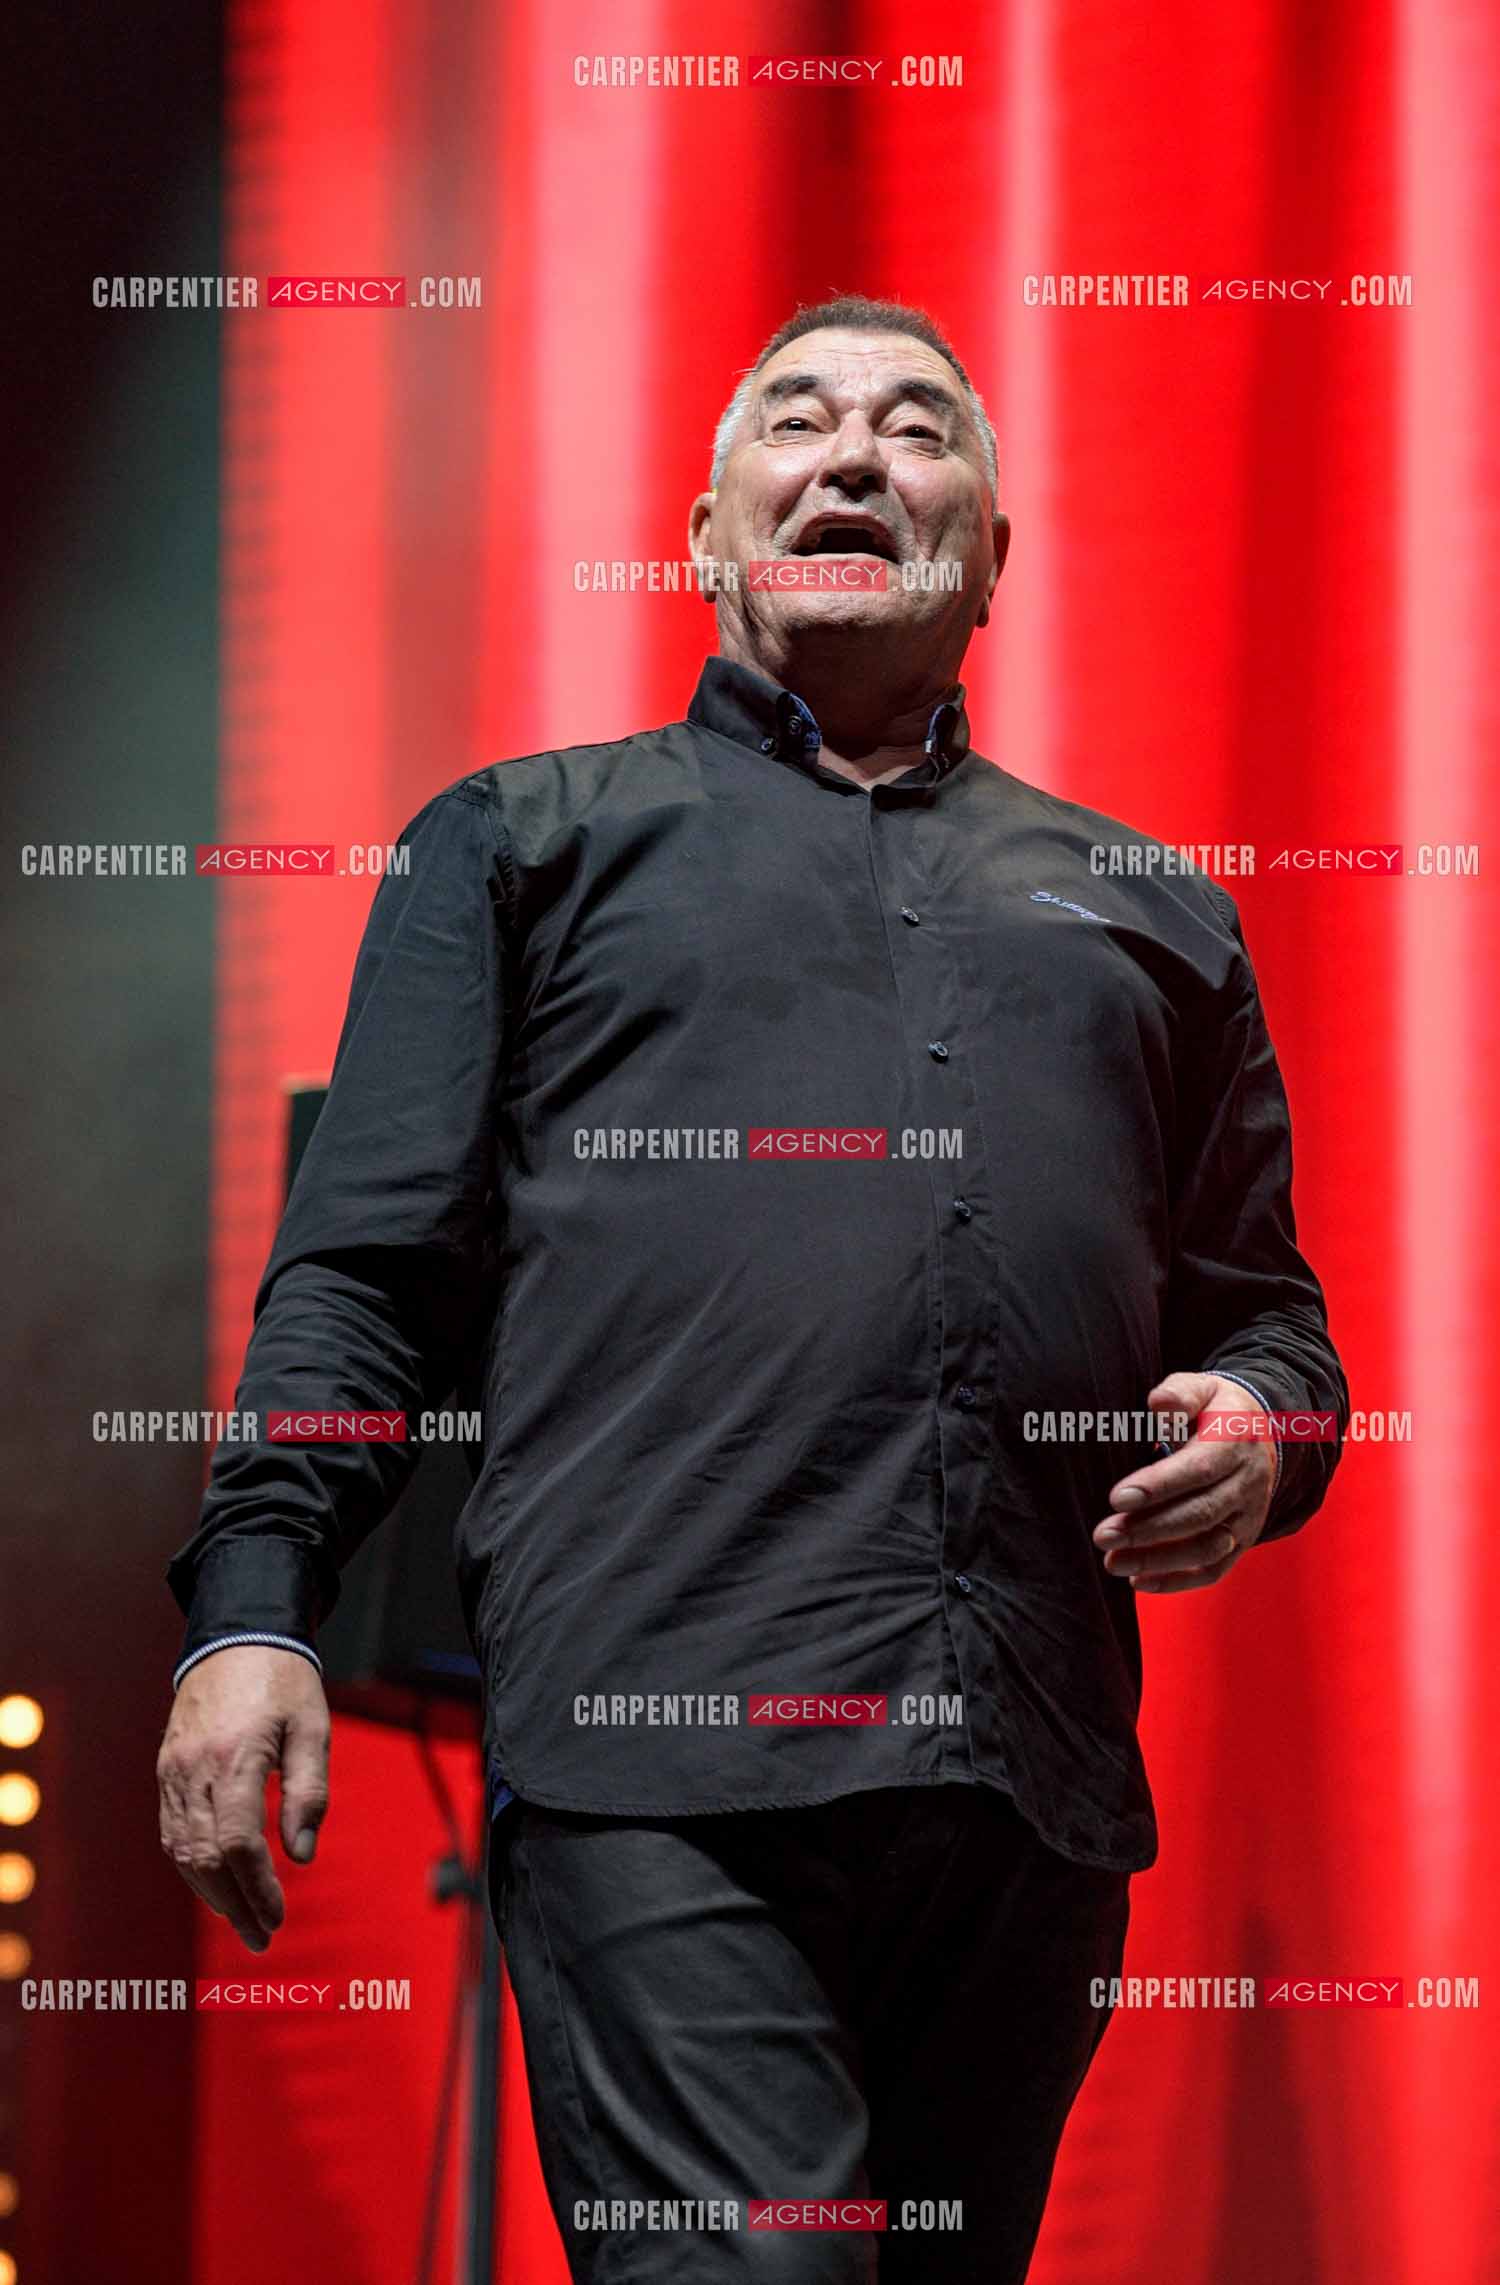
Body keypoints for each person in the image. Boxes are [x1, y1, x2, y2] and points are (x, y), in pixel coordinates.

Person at [157, 295, 1348, 2283]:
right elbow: (362, 1280)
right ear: (709, 536)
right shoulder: (525, 848)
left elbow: (1270, 1315)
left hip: (1023, 1779)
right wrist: (251, 1610)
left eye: (916, 426)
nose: (858, 453)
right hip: (660, 1753)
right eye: (798, 419)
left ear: (994, 552)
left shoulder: (1156, 912)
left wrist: (1266, 1423)